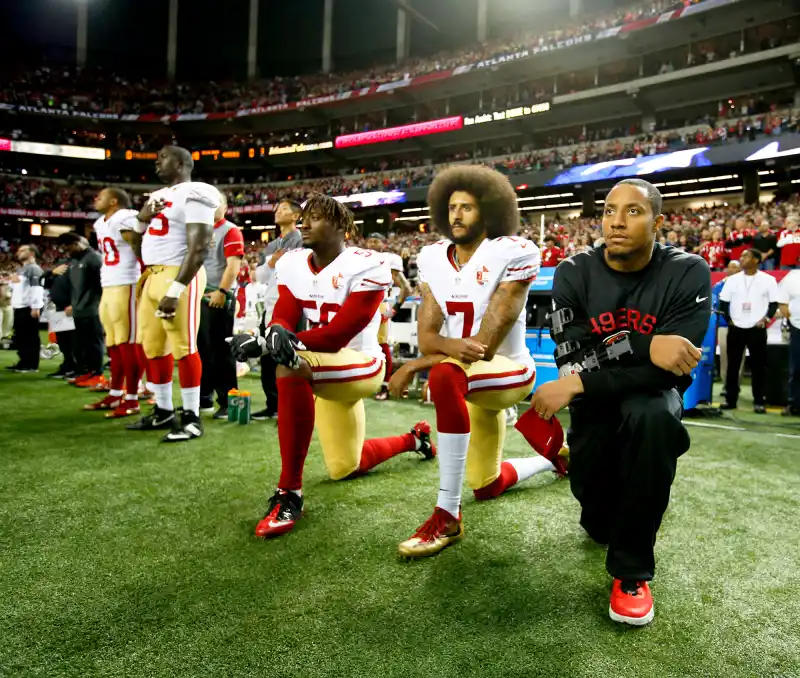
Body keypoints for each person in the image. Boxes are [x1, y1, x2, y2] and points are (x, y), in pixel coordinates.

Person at [530, 178, 711, 626]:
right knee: (598, 524)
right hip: (594, 406)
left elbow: (673, 367)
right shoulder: (574, 271)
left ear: (658, 221)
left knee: (652, 416)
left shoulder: (688, 271)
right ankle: (612, 507)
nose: (616, 221)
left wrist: (584, 380)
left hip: (650, 398)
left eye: (633, 211)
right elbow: (572, 356)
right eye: (610, 210)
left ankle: (632, 571)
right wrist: (641, 344)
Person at [229, 194, 435, 539]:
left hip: (362, 364)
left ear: (341, 226)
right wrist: (276, 330)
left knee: (289, 366)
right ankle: (416, 440)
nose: (304, 224)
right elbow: (286, 313)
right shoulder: (294, 262)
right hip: (322, 366)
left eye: (316, 217)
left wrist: (268, 345)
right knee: (345, 466)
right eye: (304, 217)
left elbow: (339, 335)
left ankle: (289, 493)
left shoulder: (368, 263)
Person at [393, 166, 559, 561]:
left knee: (445, 373)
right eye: (452, 207)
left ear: (488, 211)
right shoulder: (433, 256)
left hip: (508, 370)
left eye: (467, 207)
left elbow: (483, 347)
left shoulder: (514, 251)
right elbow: (429, 335)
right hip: (468, 377)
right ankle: (553, 456)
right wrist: (433, 351)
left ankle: (447, 514)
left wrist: (416, 365)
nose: (457, 215)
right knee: (486, 483)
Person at [126, 146, 219, 442]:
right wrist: (141, 219)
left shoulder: (198, 191)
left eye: (161, 157)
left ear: (181, 163)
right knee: (152, 347)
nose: (156, 162)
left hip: (178, 274)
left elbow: (200, 247)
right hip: (151, 274)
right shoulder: (156, 197)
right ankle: (163, 409)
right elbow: (136, 246)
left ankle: (191, 417)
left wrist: (176, 289)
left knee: (184, 346)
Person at [86, 187, 145, 417]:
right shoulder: (100, 223)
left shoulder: (125, 217)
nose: (95, 198)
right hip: (109, 283)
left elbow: (140, 249)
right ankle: (115, 392)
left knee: (128, 343)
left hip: (127, 283)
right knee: (113, 343)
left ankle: (132, 398)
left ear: (113, 201)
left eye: (100, 196)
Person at [251, 199, 303, 421]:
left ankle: (290, 405)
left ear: (295, 216)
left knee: (286, 354)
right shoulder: (273, 244)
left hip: (290, 303)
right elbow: (260, 276)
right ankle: (273, 403)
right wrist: (272, 262)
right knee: (268, 355)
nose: (277, 211)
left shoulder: (300, 240)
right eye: (277, 208)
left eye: (283, 209)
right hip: (271, 302)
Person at [198, 193, 244, 419]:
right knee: (202, 349)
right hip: (200, 295)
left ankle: (227, 402)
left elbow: (233, 266)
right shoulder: (200, 229)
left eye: (215, 202)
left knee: (221, 350)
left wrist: (222, 292)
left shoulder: (230, 230)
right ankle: (204, 398)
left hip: (218, 294)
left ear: (225, 207)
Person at [718, 249, 779, 413]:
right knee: (733, 366)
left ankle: (759, 401)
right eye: (742, 256)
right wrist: (729, 321)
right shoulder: (732, 280)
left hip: (756, 329)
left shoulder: (768, 280)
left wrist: (765, 319)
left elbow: (774, 304)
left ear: (757, 260)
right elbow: (723, 302)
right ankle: (730, 399)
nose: (742, 259)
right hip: (736, 327)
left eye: (746, 256)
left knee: (759, 367)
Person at [53, 233, 105, 389]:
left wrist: (96, 304)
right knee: (81, 344)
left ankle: (97, 374)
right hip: (77, 309)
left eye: (68, 247)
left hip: (92, 309)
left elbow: (100, 285)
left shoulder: (94, 258)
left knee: (94, 343)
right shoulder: (74, 260)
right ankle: (86, 373)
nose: (67, 251)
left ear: (76, 243)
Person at [365, 232, 412, 401]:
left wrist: (394, 309)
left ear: (383, 244)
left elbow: (406, 288)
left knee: (382, 346)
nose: (371, 244)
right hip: (361, 304)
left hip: (379, 305)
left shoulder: (389, 259)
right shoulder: (361, 259)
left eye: (375, 241)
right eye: (369, 241)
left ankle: (385, 386)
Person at [8, 245, 44, 373]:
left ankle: (31, 364)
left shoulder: (33, 269)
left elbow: (37, 288)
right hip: (19, 306)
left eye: (22, 250)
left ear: (32, 253)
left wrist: (35, 306)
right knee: (21, 337)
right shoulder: (22, 269)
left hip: (28, 307)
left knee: (30, 337)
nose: (18, 252)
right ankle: (23, 361)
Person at [714, 260, 744, 396]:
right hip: (724, 325)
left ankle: (736, 385)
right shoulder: (719, 286)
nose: (732, 269)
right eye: (730, 267)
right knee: (725, 356)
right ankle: (726, 385)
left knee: (739, 357)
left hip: (741, 325)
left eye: (736, 267)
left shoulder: (745, 285)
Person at [778, 270, 800, 416]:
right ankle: (794, 404)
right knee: (797, 368)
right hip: (797, 327)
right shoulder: (792, 277)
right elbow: (783, 302)